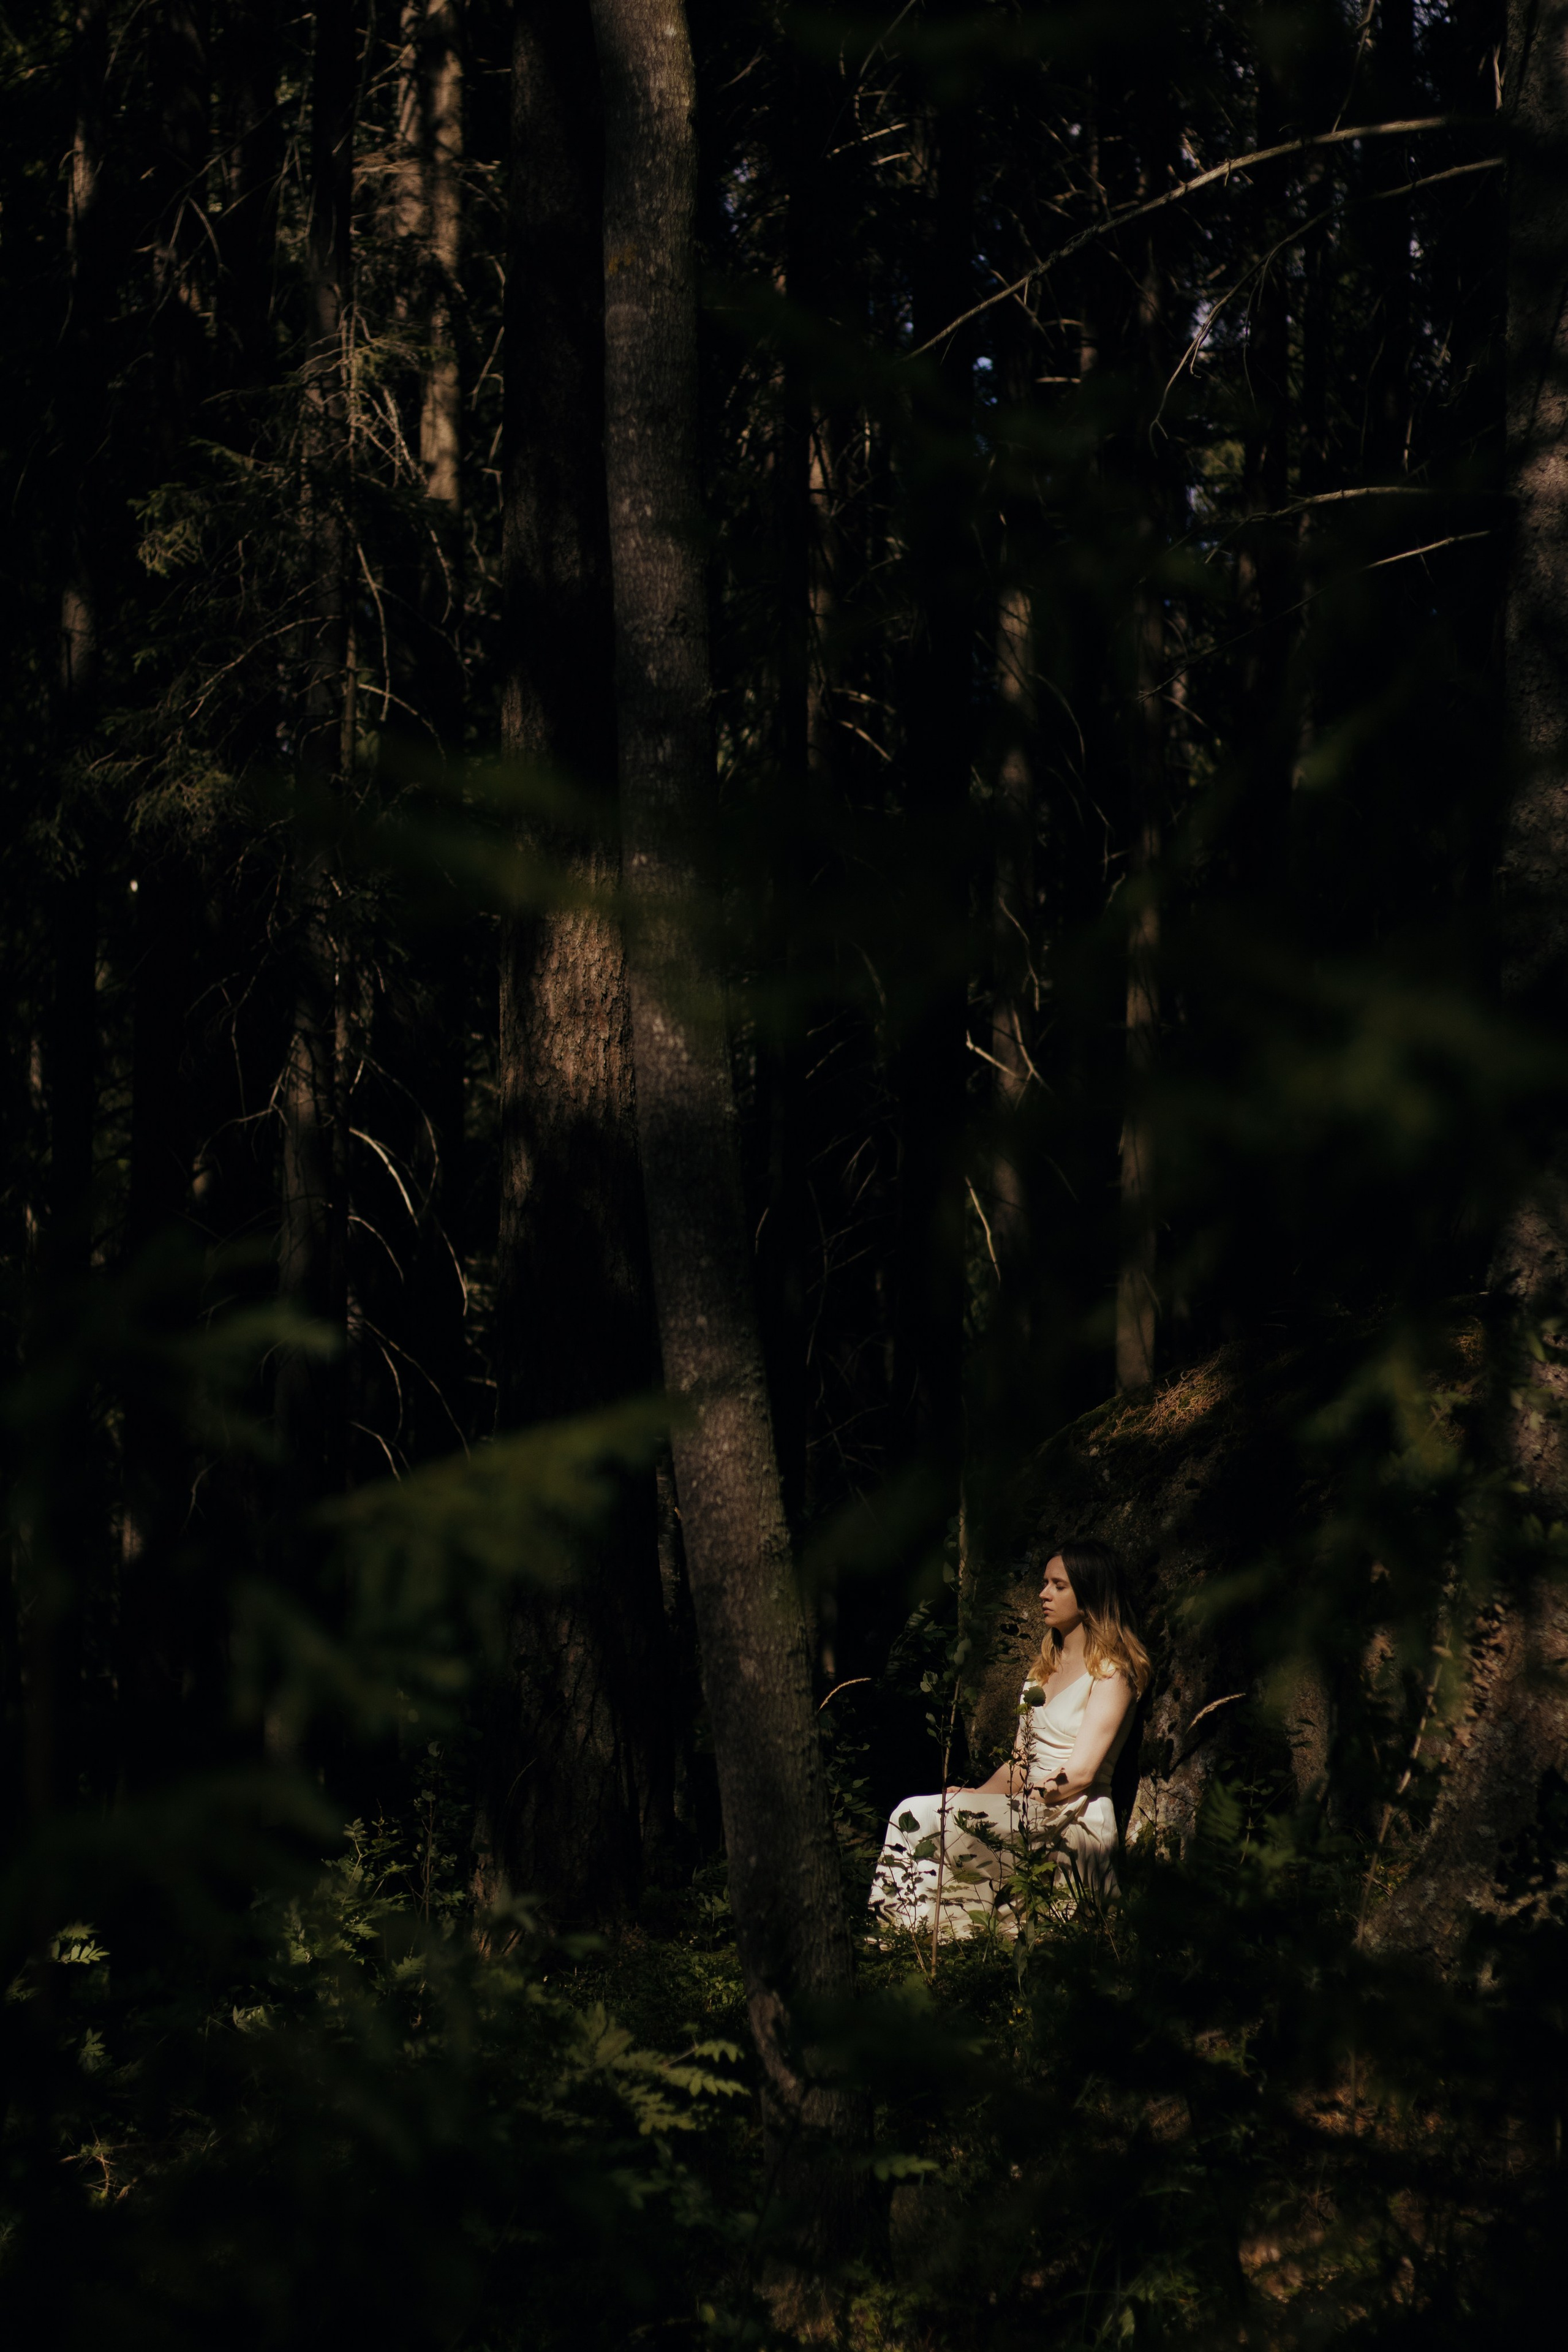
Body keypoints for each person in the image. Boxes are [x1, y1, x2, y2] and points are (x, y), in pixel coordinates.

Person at [869, 1539, 1151, 1943]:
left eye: (1058, 1585)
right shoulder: (1043, 1671)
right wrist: (976, 1796)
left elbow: (1083, 1773)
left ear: (1090, 1597)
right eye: (1044, 1583)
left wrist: (1010, 1806)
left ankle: (913, 1938)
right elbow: (1021, 1762)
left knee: (919, 1814)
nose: (1044, 1594)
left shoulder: (1112, 1673)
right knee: (921, 1813)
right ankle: (906, 1936)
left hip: (1071, 1813)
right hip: (1029, 1807)